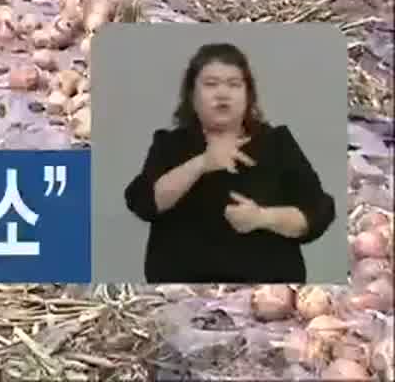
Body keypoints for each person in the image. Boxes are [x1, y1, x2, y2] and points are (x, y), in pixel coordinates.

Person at [123, 42, 336, 284]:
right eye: (210, 84)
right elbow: (143, 202)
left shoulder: (277, 143)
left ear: (248, 95)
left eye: (234, 85)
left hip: (266, 290)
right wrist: (203, 162)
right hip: (181, 291)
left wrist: (262, 217)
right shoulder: (170, 144)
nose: (222, 94)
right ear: (192, 95)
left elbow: (317, 212)